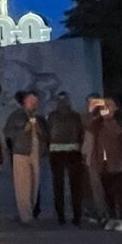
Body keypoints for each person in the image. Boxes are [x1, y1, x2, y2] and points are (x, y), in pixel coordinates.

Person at [84, 97, 122, 231]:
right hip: (101, 163)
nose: (105, 108)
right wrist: (91, 112)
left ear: (115, 107)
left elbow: (115, 132)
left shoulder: (119, 121)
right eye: (104, 105)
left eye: (109, 105)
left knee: (119, 193)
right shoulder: (97, 122)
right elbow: (87, 127)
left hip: (116, 162)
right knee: (107, 192)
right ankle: (111, 217)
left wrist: (108, 117)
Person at [5, 91, 47, 223]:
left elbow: (46, 134)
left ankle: (31, 210)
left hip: (35, 153)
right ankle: (25, 215)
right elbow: (8, 132)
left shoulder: (39, 118)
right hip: (21, 153)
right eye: (31, 100)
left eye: (35, 101)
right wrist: (24, 128)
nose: (33, 103)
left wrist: (40, 131)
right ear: (24, 101)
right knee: (23, 185)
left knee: (34, 183)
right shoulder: (16, 116)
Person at [46, 94, 86, 227]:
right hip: (73, 151)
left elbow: (47, 134)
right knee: (76, 186)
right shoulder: (75, 116)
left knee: (58, 185)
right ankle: (76, 215)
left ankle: (61, 216)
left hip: (56, 152)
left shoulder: (52, 116)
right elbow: (81, 133)